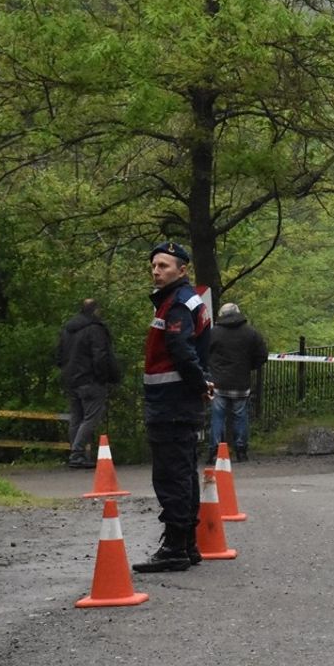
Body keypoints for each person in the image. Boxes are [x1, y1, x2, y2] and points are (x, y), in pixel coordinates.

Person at [134, 241, 213, 574]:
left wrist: (199, 385)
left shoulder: (178, 305)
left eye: (164, 266)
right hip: (177, 402)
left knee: (171, 476)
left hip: (172, 403)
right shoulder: (178, 300)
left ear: (182, 270)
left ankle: (174, 547)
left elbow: (182, 351)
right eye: (154, 265)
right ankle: (188, 544)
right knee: (184, 473)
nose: (156, 271)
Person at [55, 299, 122, 468]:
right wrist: (103, 377)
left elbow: (59, 356)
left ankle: (75, 453)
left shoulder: (68, 330)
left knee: (76, 417)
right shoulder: (95, 329)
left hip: (71, 380)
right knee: (91, 417)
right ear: (95, 310)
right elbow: (100, 356)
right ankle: (77, 454)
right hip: (90, 380)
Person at [206, 302, 268, 464]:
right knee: (241, 416)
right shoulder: (251, 333)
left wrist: (212, 370)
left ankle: (214, 451)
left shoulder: (214, 333)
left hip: (218, 383)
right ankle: (241, 451)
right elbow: (262, 355)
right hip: (241, 383)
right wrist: (249, 366)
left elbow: (203, 353)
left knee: (217, 417)